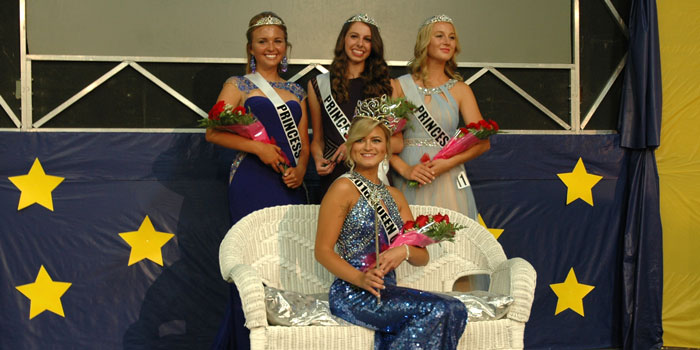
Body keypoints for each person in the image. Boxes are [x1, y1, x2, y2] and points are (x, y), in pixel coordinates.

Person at [314, 99, 468, 349]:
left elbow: (421, 256)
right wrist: (360, 279)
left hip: (388, 291)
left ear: (386, 148)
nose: (368, 146)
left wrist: (403, 250)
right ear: (351, 146)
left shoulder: (395, 196)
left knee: (455, 308)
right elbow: (322, 251)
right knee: (437, 309)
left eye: (376, 140)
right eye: (361, 140)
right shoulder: (343, 188)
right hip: (354, 292)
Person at [207, 12, 309, 350]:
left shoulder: (296, 89)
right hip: (252, 180)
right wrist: (256, 147)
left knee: (289, 262)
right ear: (251, 47)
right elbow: (213, 133)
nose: (271, 47)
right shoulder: (237, 85)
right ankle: (245, 340)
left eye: (277, 41)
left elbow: (305, 144)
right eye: (263, 41)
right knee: (252, 262)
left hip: (288, 182)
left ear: (286, 47)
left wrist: (302, 168)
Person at [390, 14, 490, 292]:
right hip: (408, 181)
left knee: (454, 254)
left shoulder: (461, 90)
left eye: (452, 36)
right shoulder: (398, 86)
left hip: (448, 183)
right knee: (409, 253)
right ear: (425, 41)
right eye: (439, 35)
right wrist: (405, 169)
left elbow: (481, 142)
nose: (447, 41)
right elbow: (382, 143)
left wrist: (446, 164)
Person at [307, 13, 395, 197]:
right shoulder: (318, 84)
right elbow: (318, 140)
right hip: (335, 174)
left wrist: (354, 144)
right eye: (354, 36)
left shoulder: (387, 85)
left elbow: (397, 141)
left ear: (374, 45)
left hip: (375, 173)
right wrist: (317, 158)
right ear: (343, 39)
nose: (360, 44)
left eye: (367, 39)